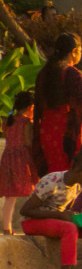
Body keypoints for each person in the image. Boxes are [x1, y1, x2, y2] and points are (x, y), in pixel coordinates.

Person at [33, 33, 82, 177]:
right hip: (68, 134)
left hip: (46, 132)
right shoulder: (73, 74)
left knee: (52, 178)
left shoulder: (43, 73)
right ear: (73, 51)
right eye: (81, 51)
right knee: (73, 178)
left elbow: (38, 105)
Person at [0, 90, 36, 233]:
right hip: (22, 160)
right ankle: (33, 223)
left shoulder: (7, 121)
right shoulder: (27, 122)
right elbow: (27, 142)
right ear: (31, 107)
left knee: (10, 195)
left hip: (8, 159)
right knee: (33, 190)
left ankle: (6, 227)